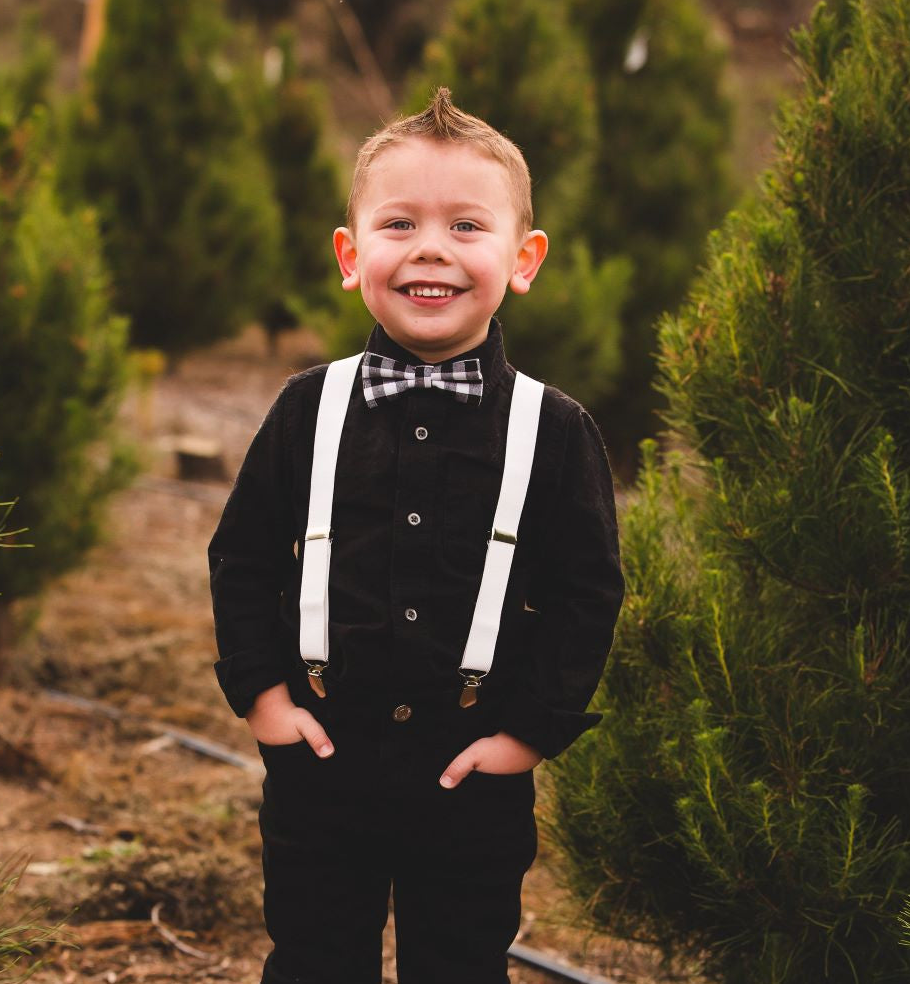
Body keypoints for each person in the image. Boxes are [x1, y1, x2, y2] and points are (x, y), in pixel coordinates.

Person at [208, 87, 624, 983]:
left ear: (525, 258)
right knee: (316, 958)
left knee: (461, 964)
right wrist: (264, 700)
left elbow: (587, 596)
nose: (431, 247)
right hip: (321, 759)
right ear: (351, 257)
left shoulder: (553, 432)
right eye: (400, 224)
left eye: (468, 226)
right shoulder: (305, 409)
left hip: (471, 770)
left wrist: (529, 736)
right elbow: (242, 559)